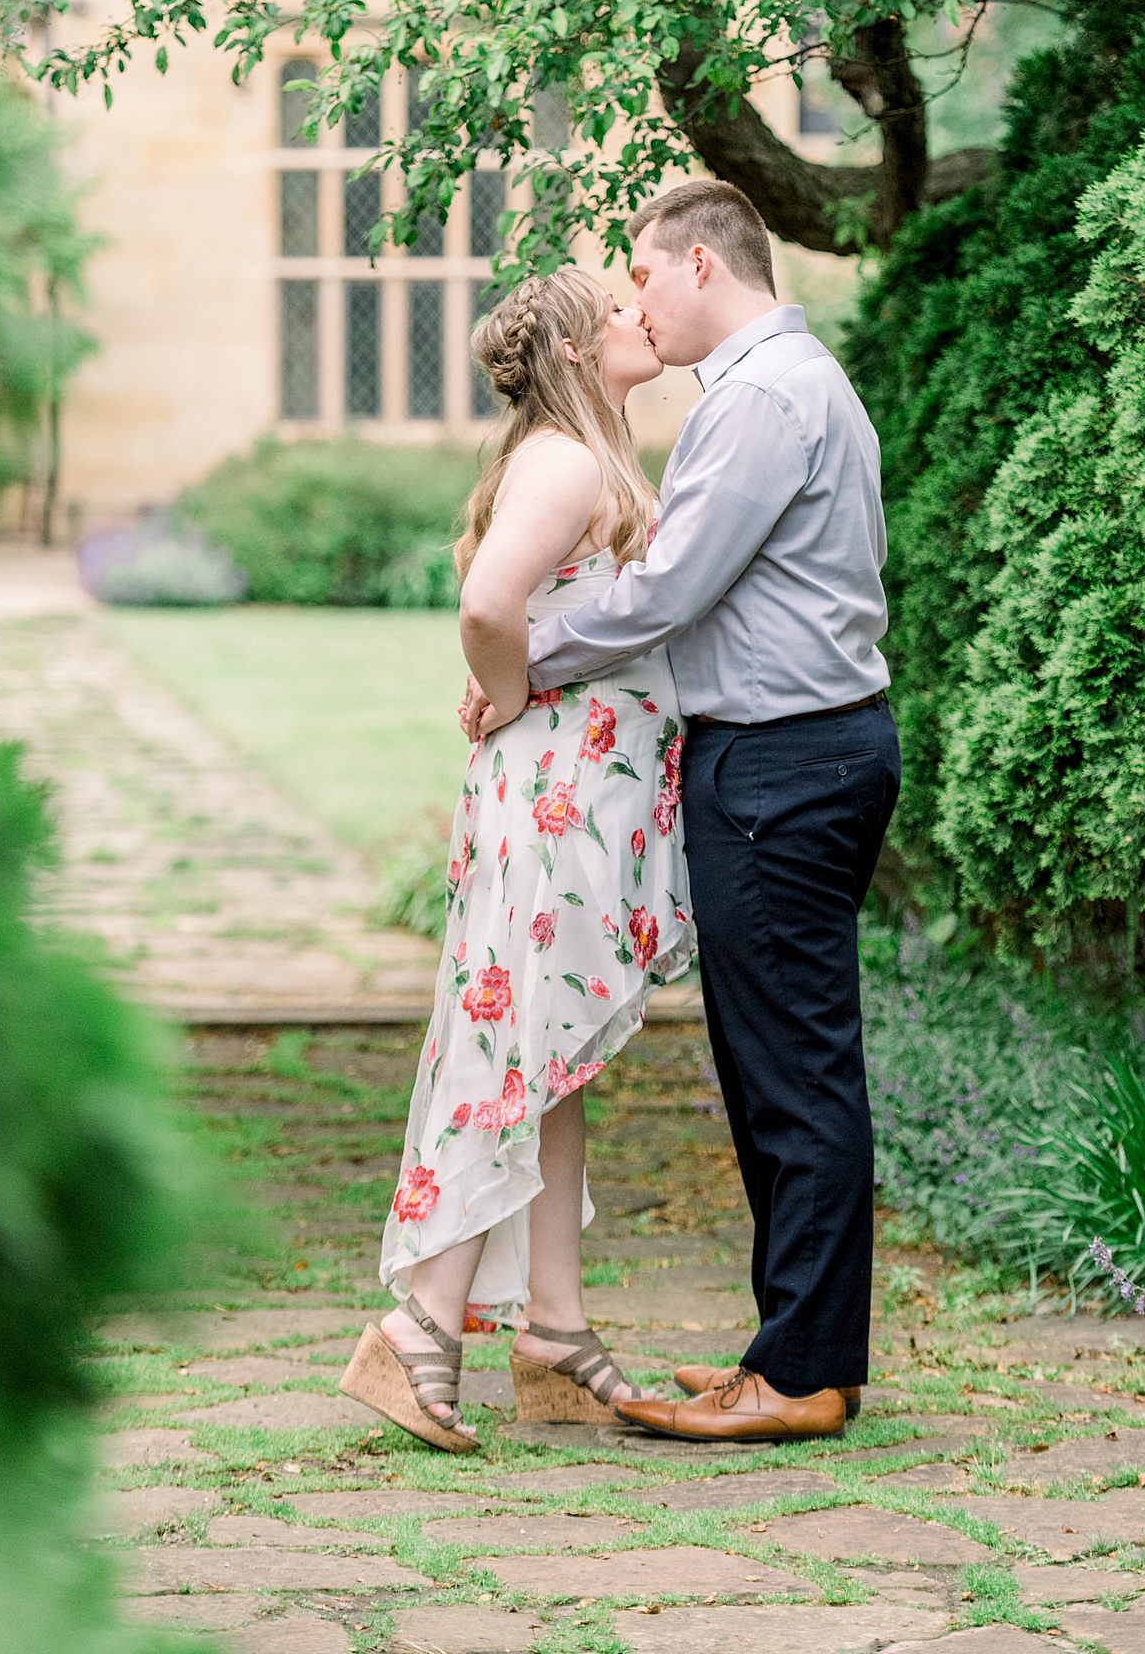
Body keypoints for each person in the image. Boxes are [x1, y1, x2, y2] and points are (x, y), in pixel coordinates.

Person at [468, 179, 899, 1444]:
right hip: (791, 758)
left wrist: (524, 664)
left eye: (642, 279)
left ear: (701, 265)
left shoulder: (763, 397)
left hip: (784, 764)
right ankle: (793, 1350)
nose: (637, 306)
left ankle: (804, 1376)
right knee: (773, 1069)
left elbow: (664, 594)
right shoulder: (779, 385)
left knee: (796, 1075)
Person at [341, 271, 693, 1452]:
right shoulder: (565, 462)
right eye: (621, 310)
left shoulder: (578, 453)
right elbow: (490, 608)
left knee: (550, 1058)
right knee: (508, 1047)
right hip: (555, 796)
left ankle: (552, 1327)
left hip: (573, 795)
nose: (644, 316)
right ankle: (419, 1328)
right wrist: (505, 697)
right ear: (584, 351)